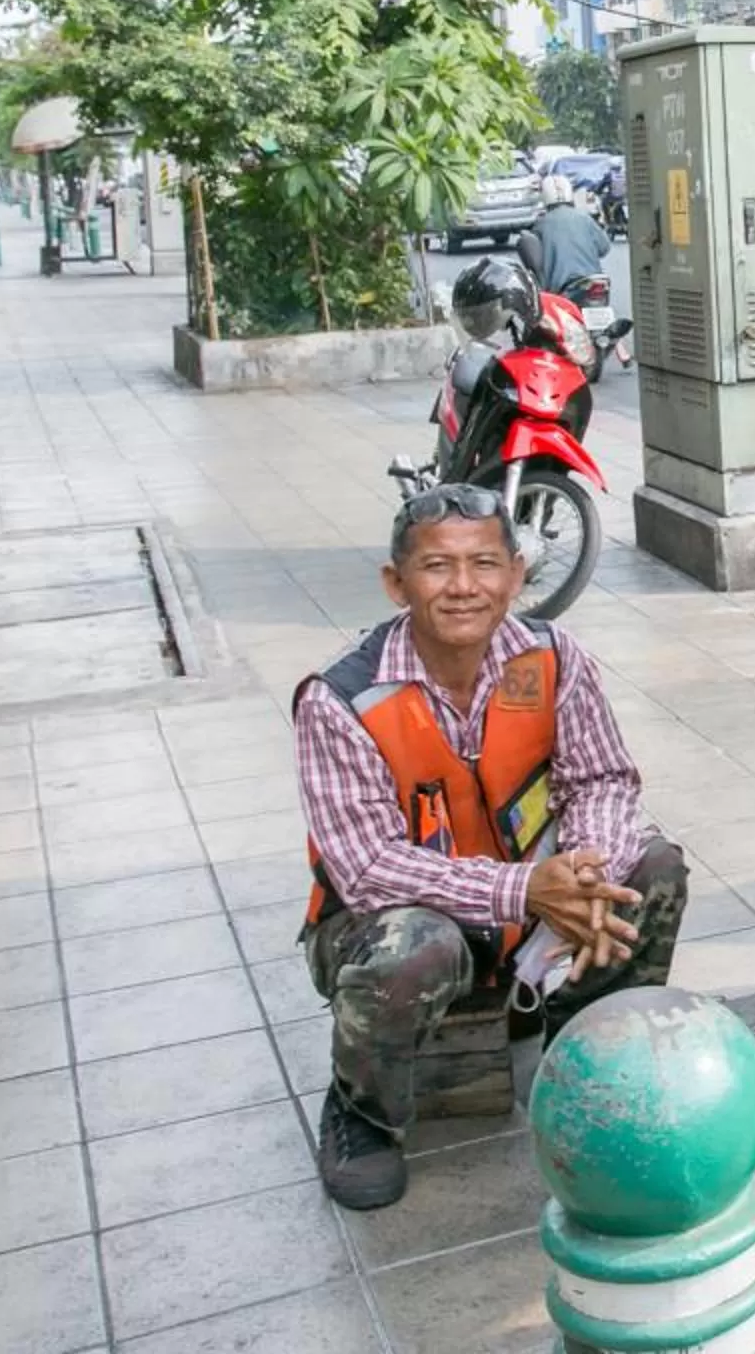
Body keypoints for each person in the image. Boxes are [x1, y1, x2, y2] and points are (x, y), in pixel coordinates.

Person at [294, 486, 686, 1210]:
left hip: (531, 905)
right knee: (416, 945)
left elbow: (601, 778)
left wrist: (588, 878)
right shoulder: (341, 698)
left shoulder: (551, 656)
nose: (464, 587)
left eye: (484, 564)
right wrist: (525, 892)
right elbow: (368, 867)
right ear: (396, 583)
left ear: (516, 574)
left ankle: (584, 1065)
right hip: (388, 922)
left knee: (652, 869)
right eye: (437, 567)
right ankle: (361, 1112)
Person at [522, 185, 610, 300]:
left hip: (560, 287)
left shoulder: (541, 225)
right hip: (594, 281)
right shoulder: (585, 218)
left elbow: (535, 260)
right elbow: (604, 248)